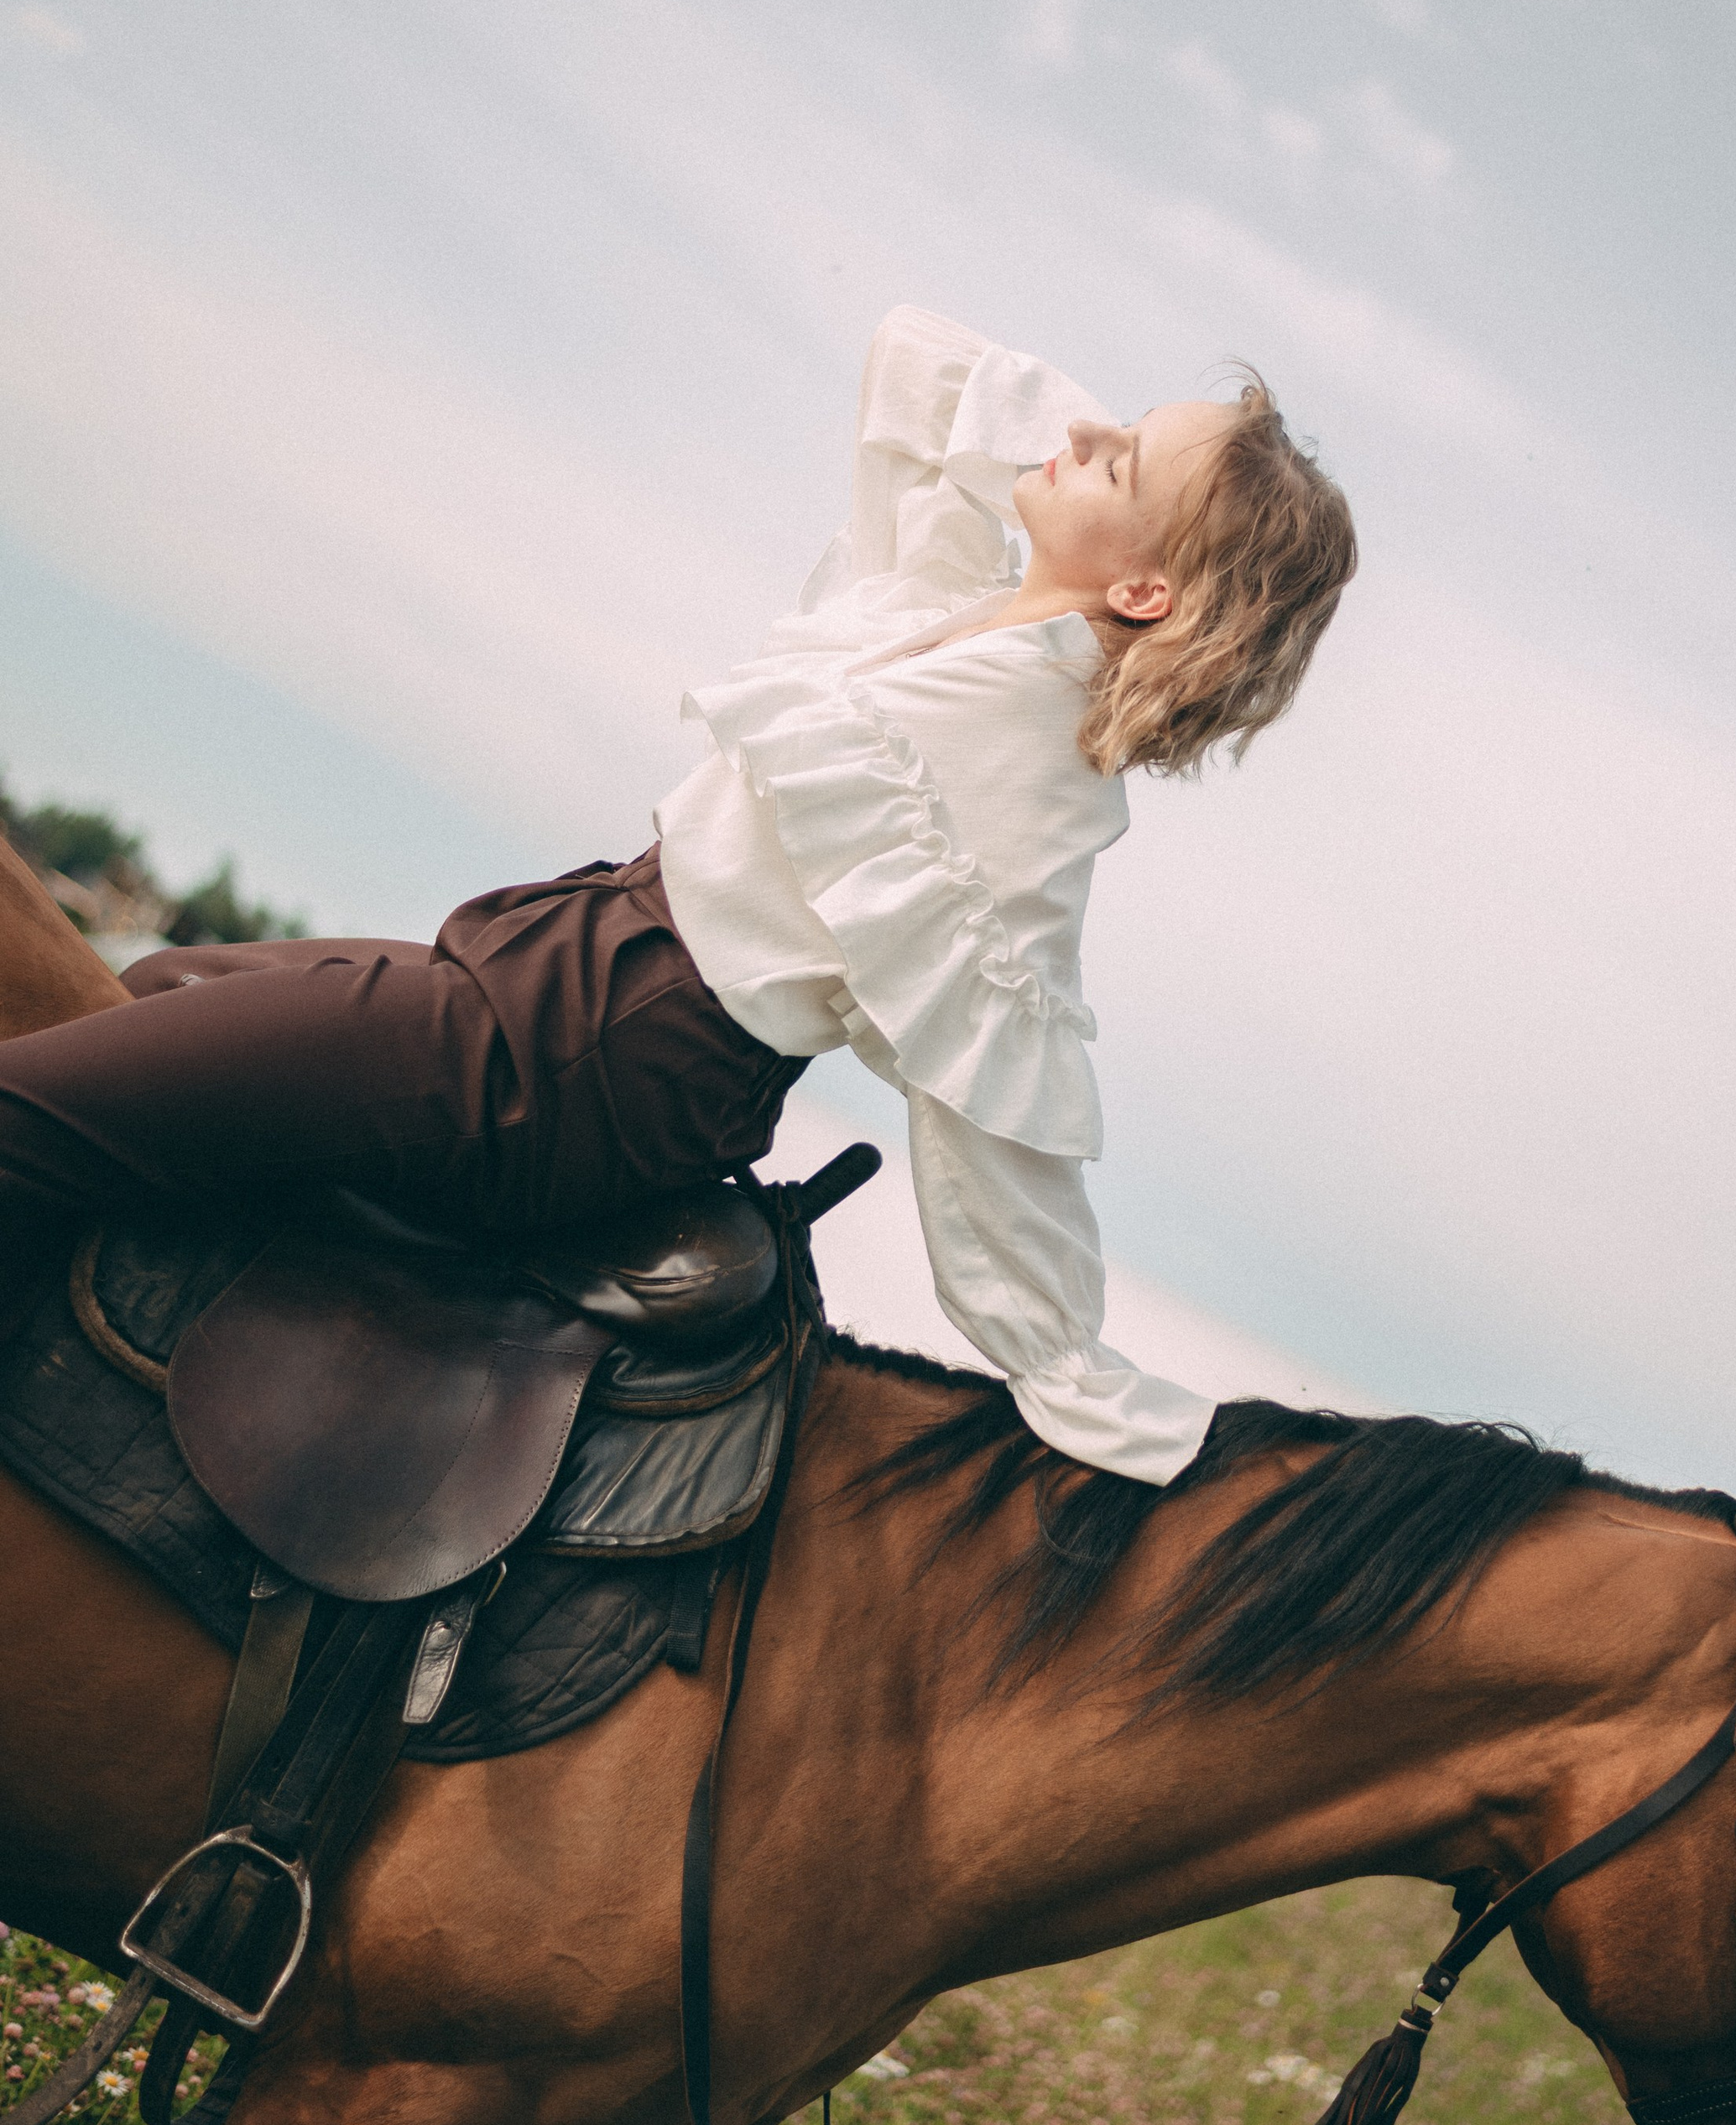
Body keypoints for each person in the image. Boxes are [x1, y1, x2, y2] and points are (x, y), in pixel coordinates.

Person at [0, 308, 1355, 1485]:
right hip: (553, 964)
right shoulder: (952, 604)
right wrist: (1151, 460)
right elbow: (924, 360)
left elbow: (990, 1096)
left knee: (35, 1119)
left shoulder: (1037, 769)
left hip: (590, 1056)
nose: (1082, 434)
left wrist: (1066, 1362)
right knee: (153, 996)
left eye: (1119, 455)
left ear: (1143, 587)